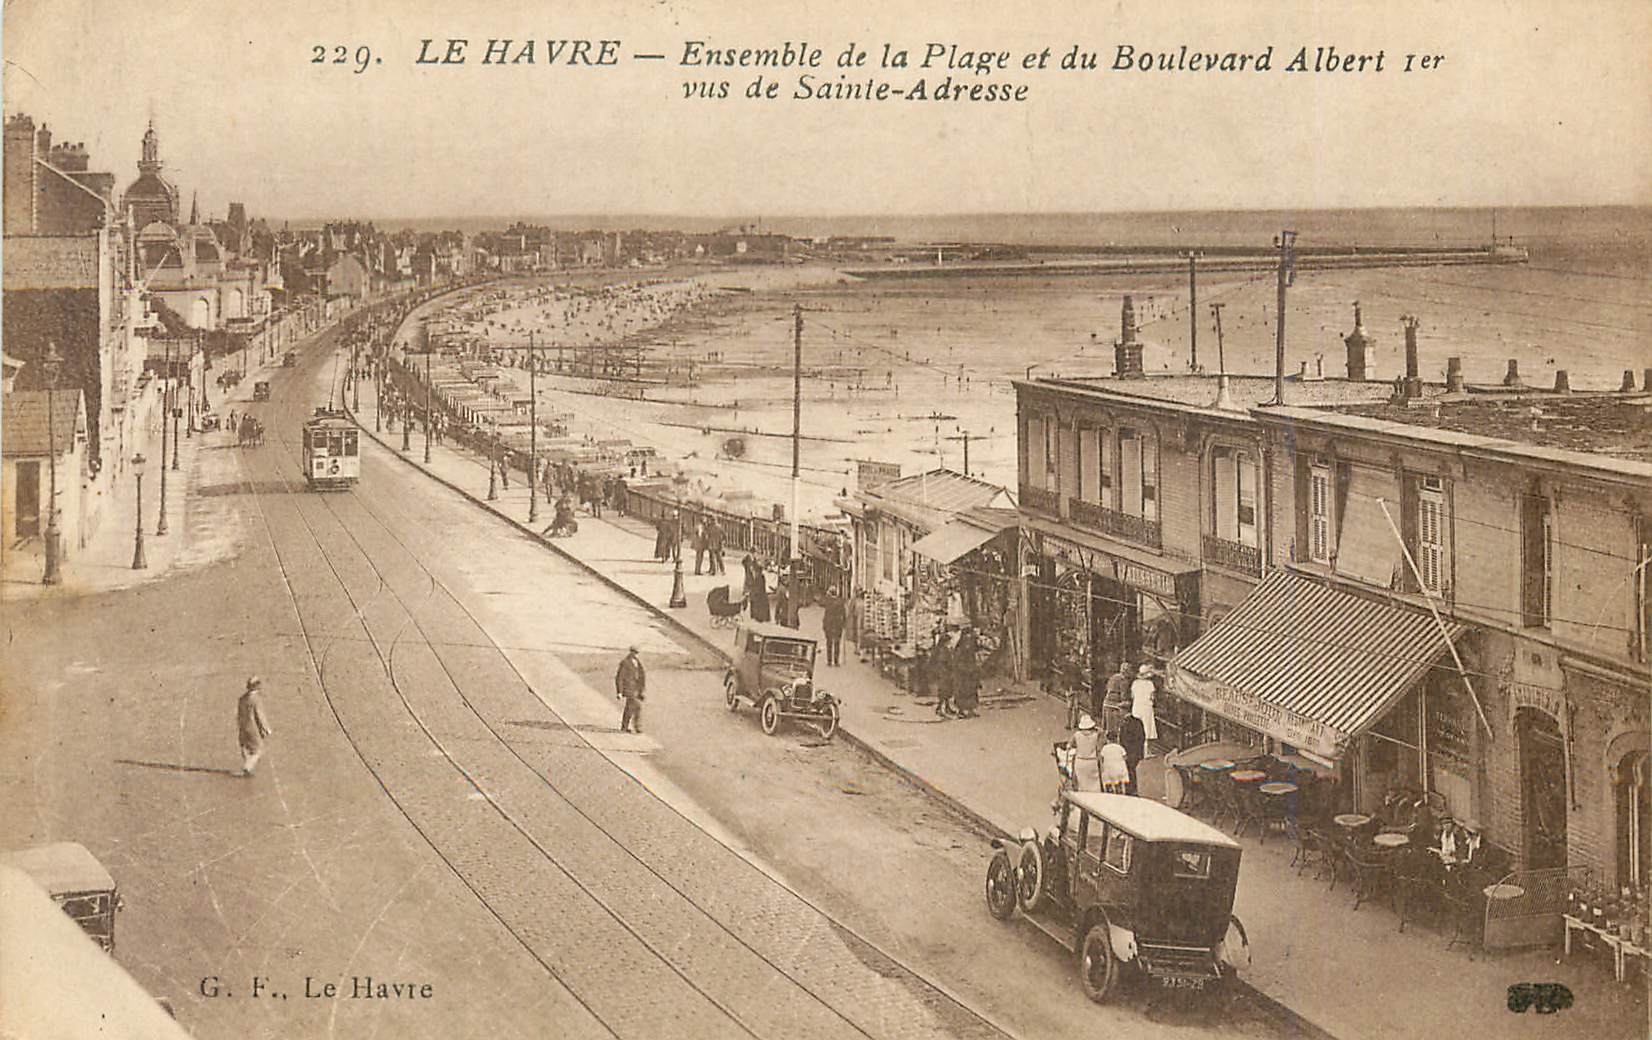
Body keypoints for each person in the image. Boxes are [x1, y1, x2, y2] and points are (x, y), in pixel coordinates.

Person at [236, 676, 273, 778]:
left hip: (243, 726)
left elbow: (239, 714)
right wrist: (266, 729)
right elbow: (259, 715)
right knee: (258, 750)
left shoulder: (242, 698)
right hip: (252, 728)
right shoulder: (255, 700)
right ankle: (247, 767)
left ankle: (248, 766)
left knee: (245, 746)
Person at [615, 645, 647, 733]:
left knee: (629, 708)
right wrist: (619, 692)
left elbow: (641, 676)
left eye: (637, 653)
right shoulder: (625, 662)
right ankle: (637, 727)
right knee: (637, 707)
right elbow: (619, 677)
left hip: (636, 689)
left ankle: (624, 727)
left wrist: (641, 690)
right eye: (635, 652)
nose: (636, 654)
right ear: (631, 652)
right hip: (629, 688)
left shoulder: (637, 662)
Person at [953, 628, 981, 718]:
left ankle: (970, 710)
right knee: (963, 691)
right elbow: (957, 661)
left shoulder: (972, 646)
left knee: (972, 691)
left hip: (971, 672)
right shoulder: (960, 648)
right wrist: (964, 669)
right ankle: (961, 710)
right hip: (963, 673)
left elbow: (976, 654)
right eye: (966, 636)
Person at [1131, 663, 1160, 743]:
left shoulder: (1135, 683)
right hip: (1146, 707)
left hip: (1137, 706)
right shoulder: (1150, 684)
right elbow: (1152, 697)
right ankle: (1146, 747)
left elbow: (1132, 696)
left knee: (1137, 727)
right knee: (1147, 728)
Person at [1119, 712, 1147, 795]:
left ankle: (1130, 788)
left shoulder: (1124, 724)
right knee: (1135, 769)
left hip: (1129, 751)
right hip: (1138, 751)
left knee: (1129, 770)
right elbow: (1142, 737)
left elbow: (1122, 739)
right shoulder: (1138, 722)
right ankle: (1135, 788)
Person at [1072, 714, 1102, 792]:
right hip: (1092, 761)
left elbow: (1070, 744)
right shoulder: (1095, 735)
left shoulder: (1077, 735)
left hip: (1080, 761)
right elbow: (1101, 731)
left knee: (1082, 785)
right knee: (1094, 784)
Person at [1103, 659, 1133, 732]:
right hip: (1116, 706)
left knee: (1108, 728)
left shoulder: (1113, 677)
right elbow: (1123, 696)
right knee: (1117, 728)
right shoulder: (1124, 681)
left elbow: (1107, 688)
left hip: (1107, 703)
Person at [821, 589, 846, 666]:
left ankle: (829, 661)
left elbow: (826, 614)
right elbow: (844, 614)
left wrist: (824, 624)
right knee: (837, 643)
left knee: (829, 642)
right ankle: (836, 661)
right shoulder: (840, 603)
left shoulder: (828, 602)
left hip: (829, 624)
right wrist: (844, 624)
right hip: (838, 624)